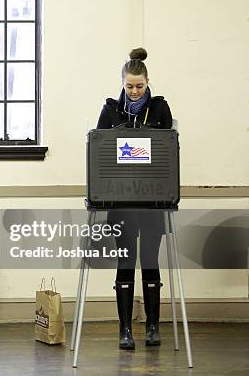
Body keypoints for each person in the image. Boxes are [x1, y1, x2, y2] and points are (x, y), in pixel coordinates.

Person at [96, 48, 173, 350]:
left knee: (151, 260)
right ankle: (125, 330)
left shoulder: (159, 108)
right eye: (129, 86)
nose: (135, 91)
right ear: (123, 83)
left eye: (139, 85)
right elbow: (99, 154)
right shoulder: (111, 110)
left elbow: (168, 152)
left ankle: (153, 327)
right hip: (122, 201)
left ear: (147, 81)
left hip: (151, 200)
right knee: (126, 260)